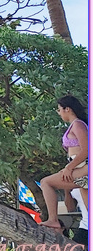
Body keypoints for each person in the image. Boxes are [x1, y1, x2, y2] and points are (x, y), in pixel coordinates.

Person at [40, 95, 89, 231]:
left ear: (67, 109)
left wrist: (69, 168)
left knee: (46, 182)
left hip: (83, 168)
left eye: (59, 109)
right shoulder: (76, 125)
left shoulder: (78, 125)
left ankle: (53, 219)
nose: (59, 113)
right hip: (79, 168)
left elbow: (86, 150)